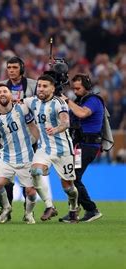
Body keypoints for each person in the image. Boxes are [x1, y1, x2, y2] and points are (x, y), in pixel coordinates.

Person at [23, 75, 79, 223]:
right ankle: (50, 206)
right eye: (39, 86)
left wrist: (55, 130)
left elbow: (66, 123)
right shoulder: (32, 101)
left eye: (44, 86)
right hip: (44, 149)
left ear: (53, 88)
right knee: (35, 171)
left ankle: (73, 208)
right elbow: (15, 102)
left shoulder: (59, 103)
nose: (40, 89)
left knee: (68, 188)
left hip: (63, 150)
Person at [0, 83, 40, 224]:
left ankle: (28, 214)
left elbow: (32, 127)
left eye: (5, 91)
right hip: (6, 157)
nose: (2, 94)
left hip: (27, 155)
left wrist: (40, 146)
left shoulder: (22, 108)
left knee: (31, 191)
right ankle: (6, 208)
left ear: (11, 95)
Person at [60, 74, 103, 222]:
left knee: (74, 176)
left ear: (87, 87)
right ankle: (75, 212)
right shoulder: (80, 101)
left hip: (89, 145)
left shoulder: (94, 100)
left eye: (78, 88)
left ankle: (91, 210)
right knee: (72, 176)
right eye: (73, 88)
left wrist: (67, 100)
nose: (75, 91)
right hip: (79, 145)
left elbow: (82, 113)